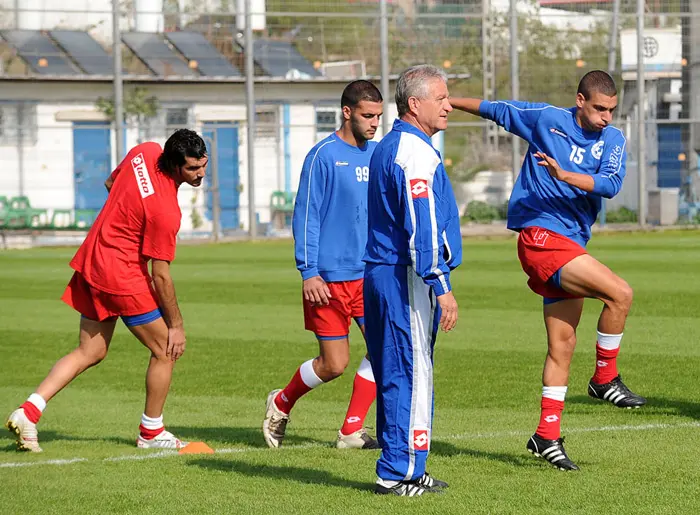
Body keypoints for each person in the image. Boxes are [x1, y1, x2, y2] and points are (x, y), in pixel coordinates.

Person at [450, 70, 646, 471]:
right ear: (580, 100)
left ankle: (546, 435)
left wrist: (564, 175)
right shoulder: (545, 119)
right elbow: (494, 110)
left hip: (572, 242)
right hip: (540, 235)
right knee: (620, 294)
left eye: (612, 110)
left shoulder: (613, 139)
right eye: (599, 108)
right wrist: (447, 101)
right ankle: (604, 379)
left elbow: (610, 185)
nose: (606, 117)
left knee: (563, 346)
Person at [5, 129, 208, 452]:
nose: (200, 174)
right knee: (165, 350)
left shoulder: (144, 150)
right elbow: (161, 277)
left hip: (93, 259)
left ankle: (29, 411)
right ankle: (151, 432)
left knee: (91, 351)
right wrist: (177, 326)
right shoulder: (166, 211)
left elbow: (111, 185)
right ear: (173, 164)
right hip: (121, 274)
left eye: (202, 166)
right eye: (192, 169)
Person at [263, 80, 384, 450]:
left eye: (379, 116)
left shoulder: (379, 154)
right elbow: (306, 216)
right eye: (368, 116)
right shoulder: (323, 156)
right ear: (347, 112)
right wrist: (308, 270)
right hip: (328, 278)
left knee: (386, 351)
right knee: (334, 364)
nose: (374, 123)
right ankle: (281, 402)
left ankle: (351, 431)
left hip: (369, 275)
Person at [363, 65, 462, 496]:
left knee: (396, 369)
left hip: (386, 274)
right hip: (404, 278)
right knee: (411, 371)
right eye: (440, 98)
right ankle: (397, 472)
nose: (449, 105)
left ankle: (406, 465)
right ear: (415, 103)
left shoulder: (391, 146)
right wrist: (441, 285)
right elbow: (421, 225)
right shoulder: (414, 153)